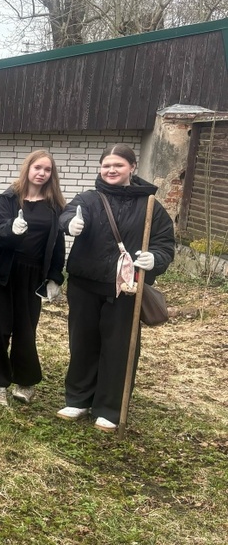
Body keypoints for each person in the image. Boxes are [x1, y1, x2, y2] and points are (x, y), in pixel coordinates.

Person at [56, 144, 174, 432]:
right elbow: (66, 215)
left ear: (132, 167)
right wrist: (70, 223)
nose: (111, 170)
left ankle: (109, 407)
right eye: (106, 165)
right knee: (83, 342)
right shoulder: (89, 198)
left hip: (126, 288)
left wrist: (154, 258)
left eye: (118, 165)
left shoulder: (149, 205)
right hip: (85, 284)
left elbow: (164, 244)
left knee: (119, 347)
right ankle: (79, 399)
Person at [0, 150, 66, 406]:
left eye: (47, 170)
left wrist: (54, 277)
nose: (41, 173)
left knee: (26, 329)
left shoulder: (54, 206)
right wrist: (11, 230)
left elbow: (57, 244)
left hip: (32, 275)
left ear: (52, 174)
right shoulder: (8, 199)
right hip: (3, 272)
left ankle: (25, 382)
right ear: (28, 169)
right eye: (37, 168)